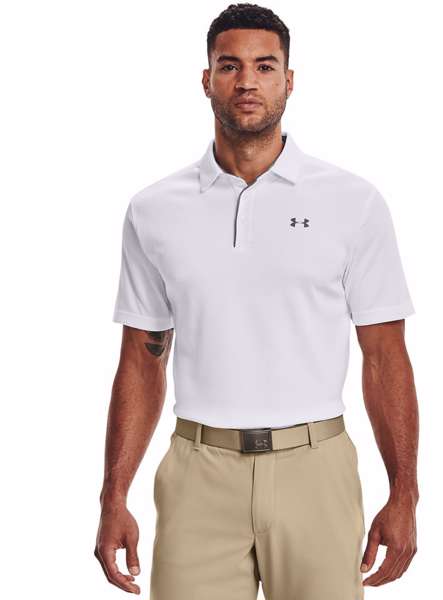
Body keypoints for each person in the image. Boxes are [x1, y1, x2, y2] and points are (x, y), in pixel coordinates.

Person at [94, 3, 419, 599]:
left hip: (317, 469)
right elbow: (141, 359)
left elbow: (384, 356)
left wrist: (405, 494)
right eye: (230, 66)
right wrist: (112, 496)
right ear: (206, 79)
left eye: (265, 66)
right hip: (197, 473)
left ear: (289, 80)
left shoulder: (352, 202)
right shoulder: (154, 210)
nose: (247, 81)